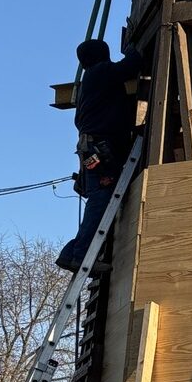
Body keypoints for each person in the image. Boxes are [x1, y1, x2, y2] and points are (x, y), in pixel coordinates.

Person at [55, 38, 143, 272]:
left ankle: (71, 253)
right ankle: (81, 255)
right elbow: (132, 64)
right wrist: (132, 48)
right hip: (100, 150)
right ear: (102, 55)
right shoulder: (101, 72)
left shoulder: (89, 82)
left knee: (99, 198)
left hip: (92, 149)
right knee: (101, 199)